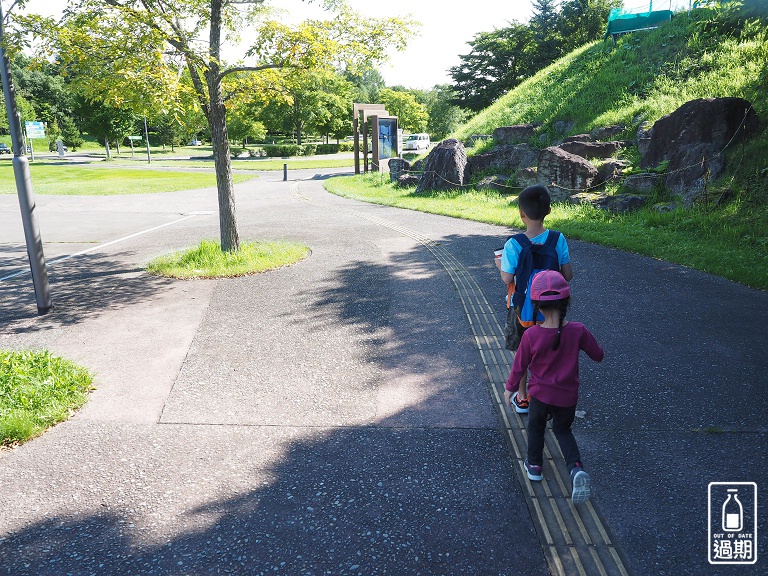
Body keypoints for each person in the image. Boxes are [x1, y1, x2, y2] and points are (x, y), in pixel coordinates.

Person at [504, 270, 604, 504]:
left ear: (536, 304)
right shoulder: (578, 330)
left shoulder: (531, 335)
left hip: (539, 396)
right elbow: (598, 355)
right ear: (566, 301)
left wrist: (509, 389)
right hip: (567, 398)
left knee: (536, 428)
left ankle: (535, 465)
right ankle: (575, 468)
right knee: (563, 431)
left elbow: (519, 367)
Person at [496, 184, 573, 414]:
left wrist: (499, 264)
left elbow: (507, 277)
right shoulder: (558, 240)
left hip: (522, 310)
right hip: (552, 310)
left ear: (521, 213)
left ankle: (522, 398)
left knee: (522, 352)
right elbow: (567, 275)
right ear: (549, 210)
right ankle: (550, 396)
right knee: (550, 351)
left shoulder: (514, 244)